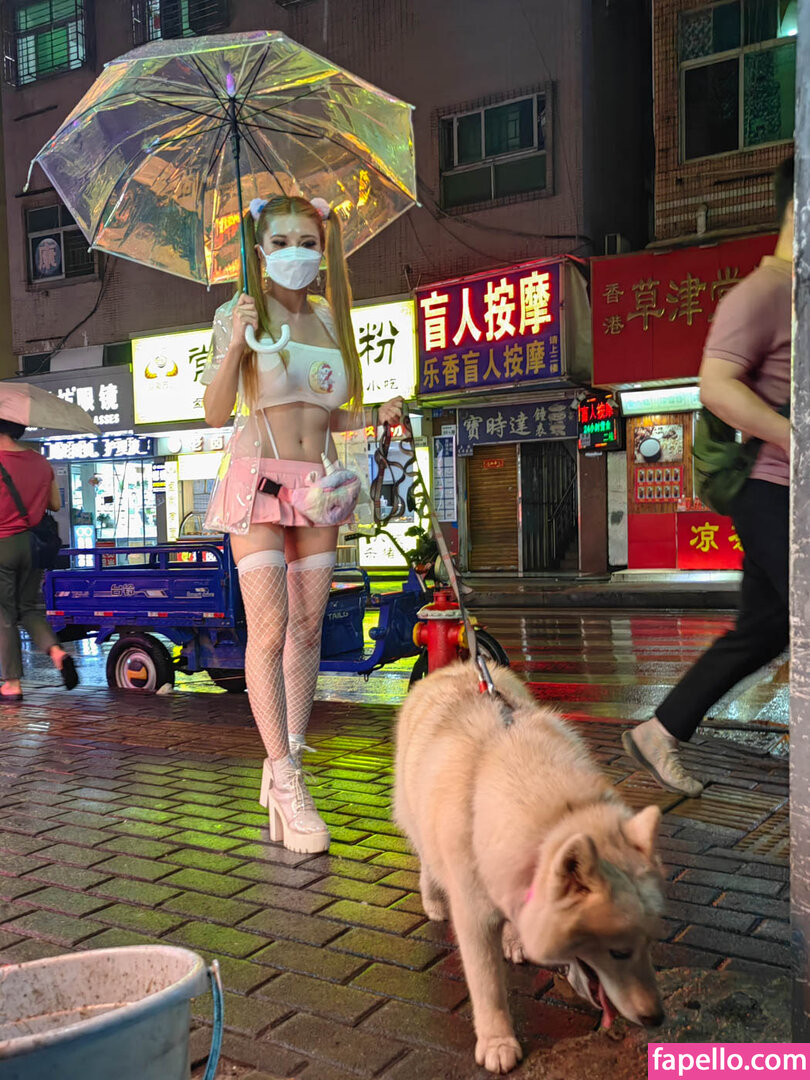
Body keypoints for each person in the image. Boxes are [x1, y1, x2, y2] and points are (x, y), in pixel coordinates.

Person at [202, 194, 402, 854]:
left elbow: (327, 413)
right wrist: (236, 343)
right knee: (269, 629)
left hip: (319, 484)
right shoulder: (238, 313)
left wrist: (376, 413)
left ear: (324, 249)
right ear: (260, 251)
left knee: (309, 627)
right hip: (257, 479)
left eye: (308, 242)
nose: (296, 253)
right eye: (282, 241)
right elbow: (214, 411)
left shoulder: (328, 317)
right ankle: (286, 780)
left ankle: (289, 751)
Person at [623, 155, 794, 797]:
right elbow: (715, 385)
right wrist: (794, 438)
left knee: (764, 628)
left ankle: (659, 731)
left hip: (784, 490)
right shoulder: (764, 292)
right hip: (772, 488)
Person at [0, 419, 78, 700]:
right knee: (30, 608)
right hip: (34, 545)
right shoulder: (40, 462)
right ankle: (56, 652)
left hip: (3, 544)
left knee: (4, 615)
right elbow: (55, 504)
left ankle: (12, 683)